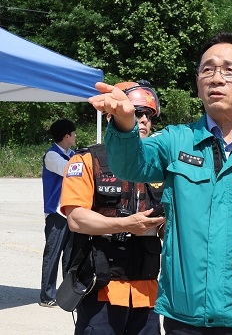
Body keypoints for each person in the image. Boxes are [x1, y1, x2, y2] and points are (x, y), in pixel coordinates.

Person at [87, 32, 232, 335]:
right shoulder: (177, 140)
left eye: (230, 70)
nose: (216, 78)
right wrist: (124, 122)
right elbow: (130, 165)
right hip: (186, 319)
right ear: (198, 85)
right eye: (207, 69)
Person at [60, 81, 166, 335]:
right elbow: (76, 219)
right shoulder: (87, 159)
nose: (142, 120)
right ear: (112, 115)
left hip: (146, 290)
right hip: (102, 287)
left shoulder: (159, 163)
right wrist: (124, 225)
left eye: (147, 115)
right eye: (136, 112)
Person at [40, 118, 76, 308]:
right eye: (74, 133)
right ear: (66, 136)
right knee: (52, 255)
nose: (76, 136)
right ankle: (47, 296)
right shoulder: (52, 156)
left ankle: (67, 296)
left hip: (69, 212)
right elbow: (69, 170)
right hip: (56, 214)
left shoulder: (71, 153)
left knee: (70, 257)